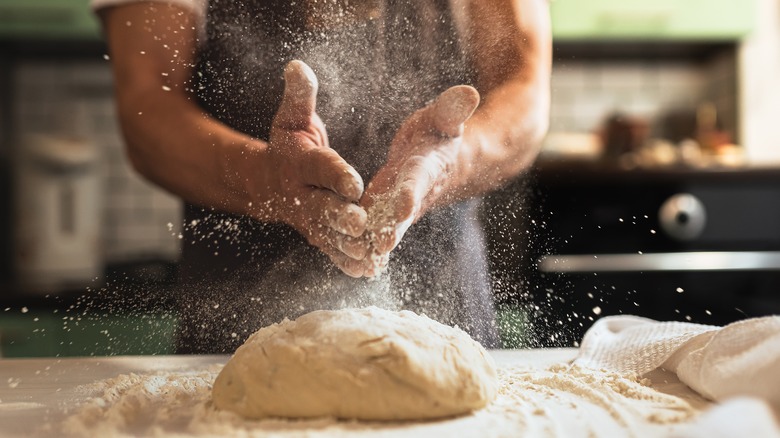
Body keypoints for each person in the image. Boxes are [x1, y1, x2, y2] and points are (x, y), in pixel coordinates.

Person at [92, 0, 551, 353]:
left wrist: (450, 161)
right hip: (235, 318)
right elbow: (147, 107)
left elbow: (523, 91)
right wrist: (265, 180)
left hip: (445, 305)